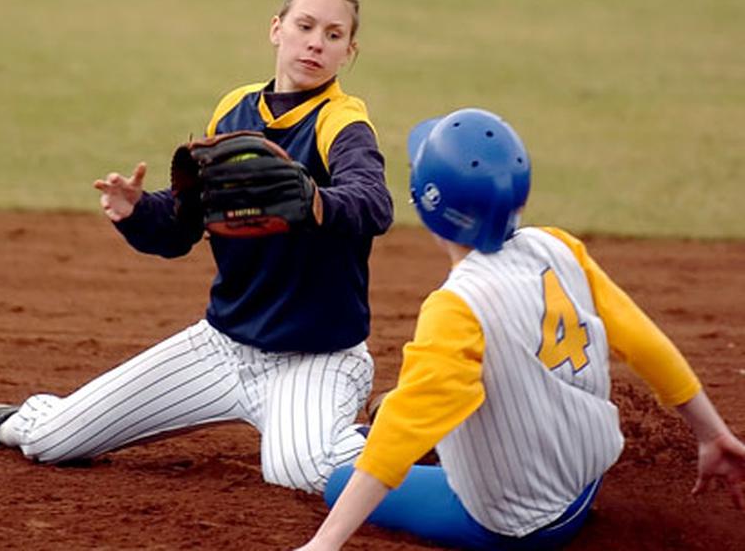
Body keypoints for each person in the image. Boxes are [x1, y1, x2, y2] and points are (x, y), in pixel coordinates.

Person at [0, 0, 393, 495]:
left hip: (315, 358)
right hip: (224, 345)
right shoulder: (235, 111)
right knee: (52, 440)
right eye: (305, 26)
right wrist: (139, 211)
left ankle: (401, 428)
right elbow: (184, 228)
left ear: (349, 51)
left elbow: (374, 202)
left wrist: (319, 201)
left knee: (301, 471)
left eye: (333, 34)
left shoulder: (341, 122)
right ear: (277, 30)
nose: (316, 43)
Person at [298, 108, 745, 550]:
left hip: (520, 523)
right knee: (449, 385)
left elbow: (400, 434)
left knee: (343, 475)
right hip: (585, 477)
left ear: (424, 202)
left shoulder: (457, 306)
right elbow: (645, 342)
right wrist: (712, 433)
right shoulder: (558, 247)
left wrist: (325, 542)